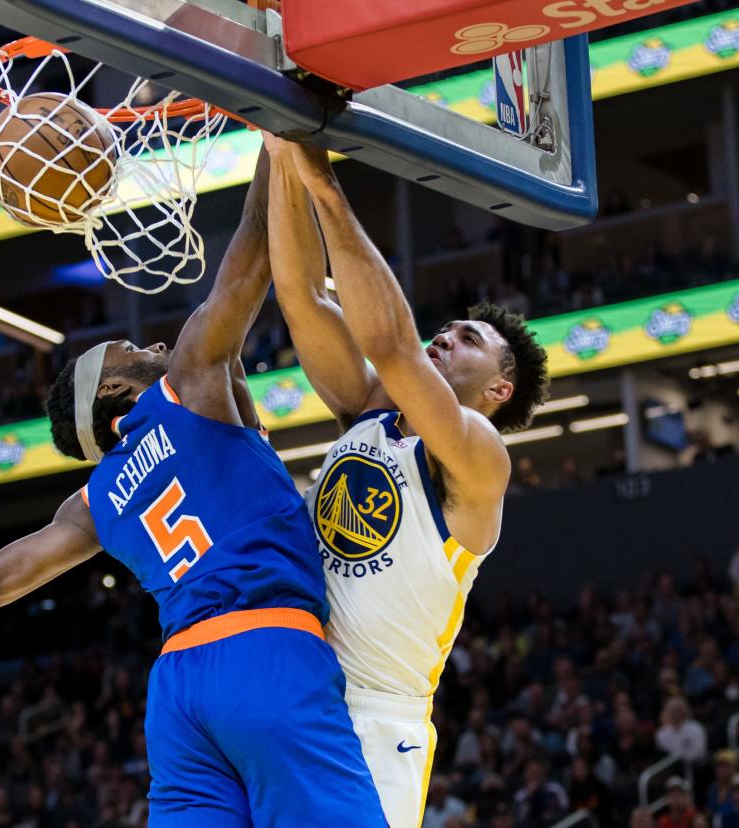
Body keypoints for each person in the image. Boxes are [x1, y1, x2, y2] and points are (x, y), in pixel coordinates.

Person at [0, 146, 388, 827]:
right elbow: (254, 253)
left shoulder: (94, 502)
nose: (147, 346)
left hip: (179, 690)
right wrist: (276, 132)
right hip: (268, 650)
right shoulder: (190, 384)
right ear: (114, 395)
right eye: (127, 354)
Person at [261, 135, 548, 826]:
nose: (447, 335)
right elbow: (301, 297)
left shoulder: (480, 457)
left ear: (499, 390)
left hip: (375, 719)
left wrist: (320, 176)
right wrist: (276, 146)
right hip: (287, 689)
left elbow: (389, 343)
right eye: (449, 328)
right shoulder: (369, 414)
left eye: (469, 340)